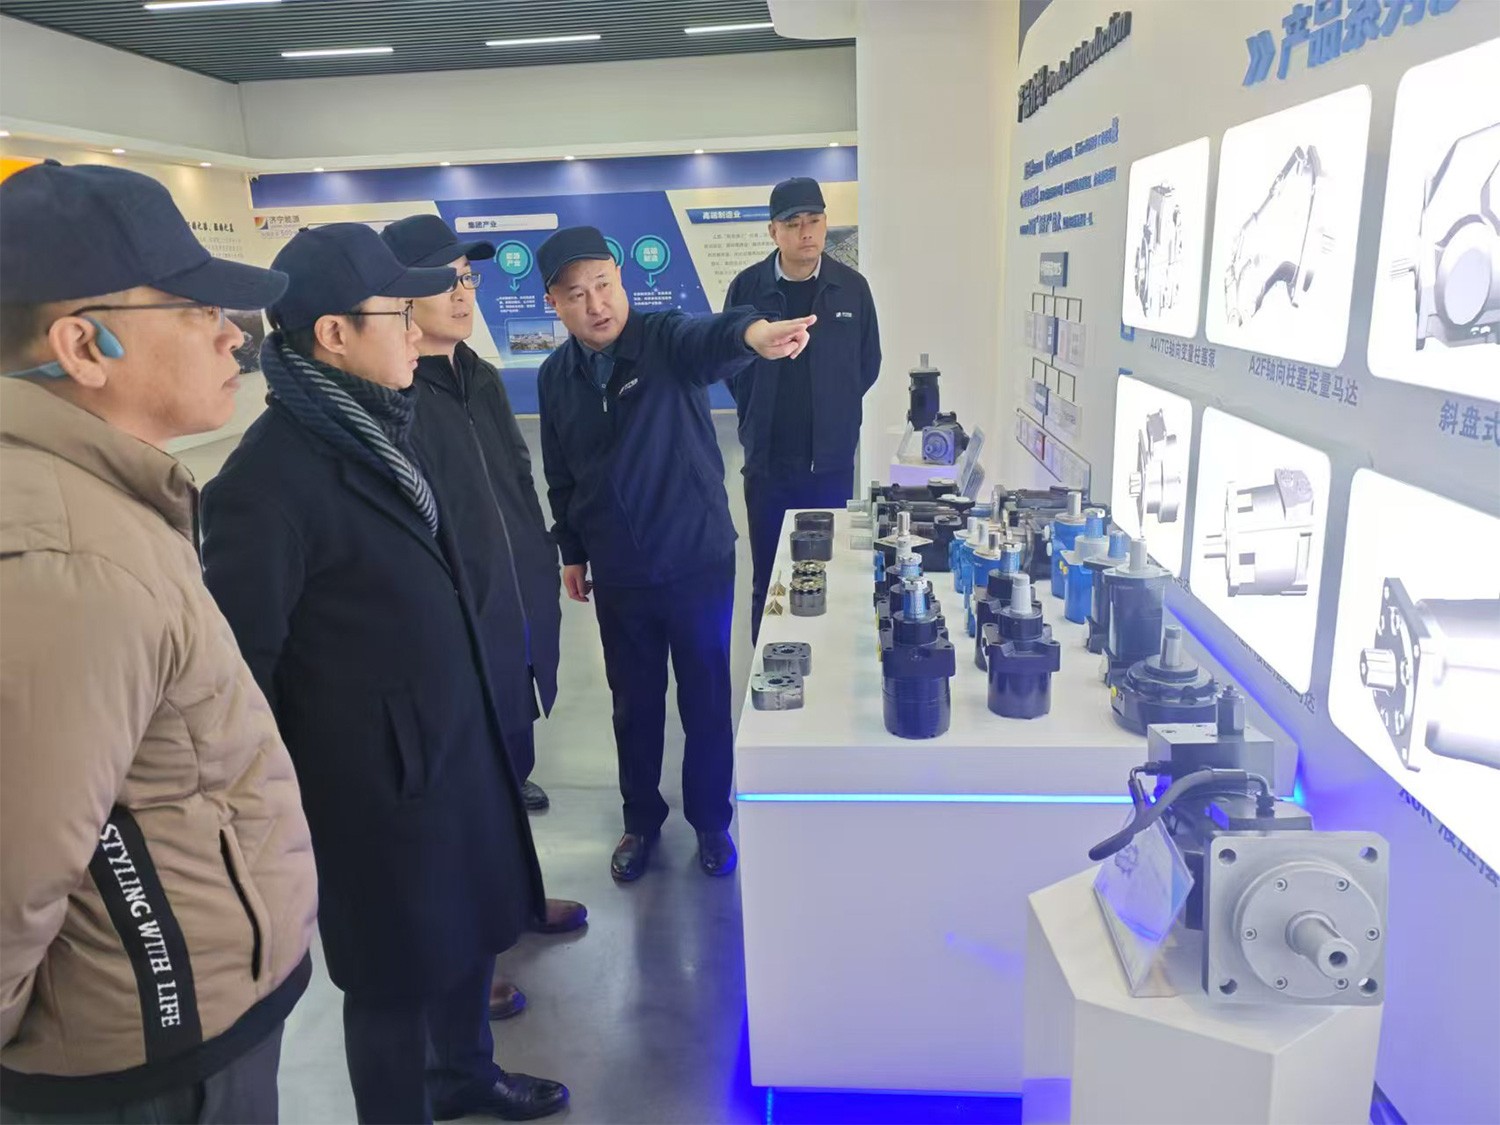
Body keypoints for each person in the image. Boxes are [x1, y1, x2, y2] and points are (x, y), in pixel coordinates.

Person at [199, 223, 567, 1124]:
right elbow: (243, 677)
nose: (416, 327)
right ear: (333, 333)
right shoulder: (266, 482)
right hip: (372, 789)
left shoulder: (386, 424)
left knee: (470, 929)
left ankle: (465, 1073)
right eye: (398, 312)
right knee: (393, 983)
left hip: (455, 741)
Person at [0, 162, 318, 1123]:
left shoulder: (99, 500)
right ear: (82, 345)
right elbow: (15, 869)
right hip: (152, 1062)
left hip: (175, 1030)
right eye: (197, 309)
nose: (234, 334)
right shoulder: (66, 557)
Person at [536, 225, 814, 883]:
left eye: (604, 285)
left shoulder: (663, 340)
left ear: (620, 280)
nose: (596, 304)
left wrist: (752, 335)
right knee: (632, 704)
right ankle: (641, 819)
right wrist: (572, 550)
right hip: (620, 573)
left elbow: (712, 336)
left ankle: (712, 820)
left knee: (705, 698)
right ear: (554, 303)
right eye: (576, 295)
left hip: (695, 560)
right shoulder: (556, 377)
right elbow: (560, 470)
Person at [379, 214, 586, 1022]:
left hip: (514, 619)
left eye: (467, 279)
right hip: (456, 631)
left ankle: (518, 902)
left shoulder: (482, 377)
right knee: (462, 801)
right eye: (444, 281)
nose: (463, 293)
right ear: (399, 295)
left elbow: (516, 483)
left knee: (510, 772)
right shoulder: (396, 394)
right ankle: (472, 957)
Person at [724, 177, 882, 640]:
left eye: (814, 220)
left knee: (825, 569)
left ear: (825, 224)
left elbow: (868, 364)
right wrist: (756, 411)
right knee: (769, 574)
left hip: (829, 463)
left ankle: (823, 653)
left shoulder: (850, 288)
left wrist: (835, 412)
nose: (805, 232)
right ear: (773, 231)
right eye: (792, 224)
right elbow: (730, 364)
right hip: (768, 462)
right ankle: (767, 659)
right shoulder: (747, 288)